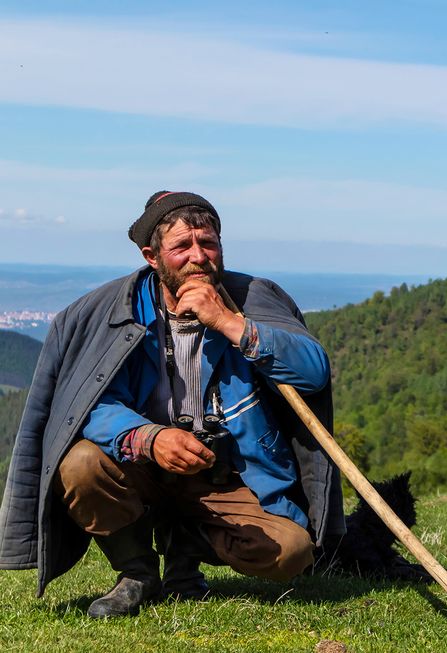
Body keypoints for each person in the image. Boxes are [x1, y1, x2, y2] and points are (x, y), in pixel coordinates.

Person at [0, 191, 345, 618]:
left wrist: (229, 322)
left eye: (209, 243)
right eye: (182, 246)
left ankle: (186, 544)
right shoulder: (112, 310)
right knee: (79, 465)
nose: (199, 257)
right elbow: (90, 405)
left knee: (290, 553)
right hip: (141, 467)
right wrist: (150, 438)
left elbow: (313, 372)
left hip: (227, 475)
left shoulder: (252, 297)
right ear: (152, 255)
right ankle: (137, 572)